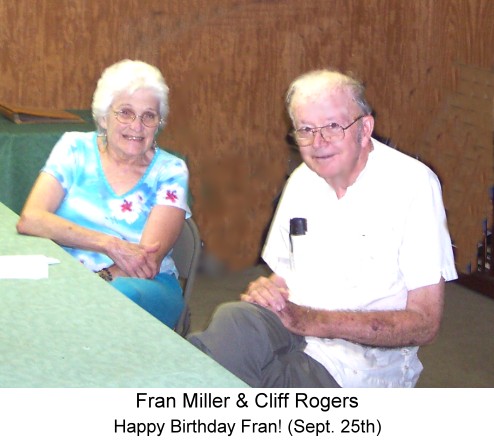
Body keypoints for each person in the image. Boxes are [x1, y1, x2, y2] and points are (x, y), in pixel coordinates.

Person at [188, 68, 458, 387]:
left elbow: (425, 324)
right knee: (233, 318)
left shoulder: (413, 184)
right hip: (292, 322)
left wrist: (313, 321)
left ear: (365, 128)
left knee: (244, 376)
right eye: (306, 129)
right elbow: (283, 274)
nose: (318, 143)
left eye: (332, 126)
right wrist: (269, 290)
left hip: (358, 362)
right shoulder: (302, 179)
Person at [16, 59, 191, 329]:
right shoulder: (74, 148)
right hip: (66, 271)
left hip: (141, 285)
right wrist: (108, 244)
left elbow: (145, 260)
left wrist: (95, 282)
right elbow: (31, 219)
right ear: (103, 117)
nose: (137, 126)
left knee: (109, 300)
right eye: (125, 112)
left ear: (159, 123)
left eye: (148, 116)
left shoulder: (170, 171)